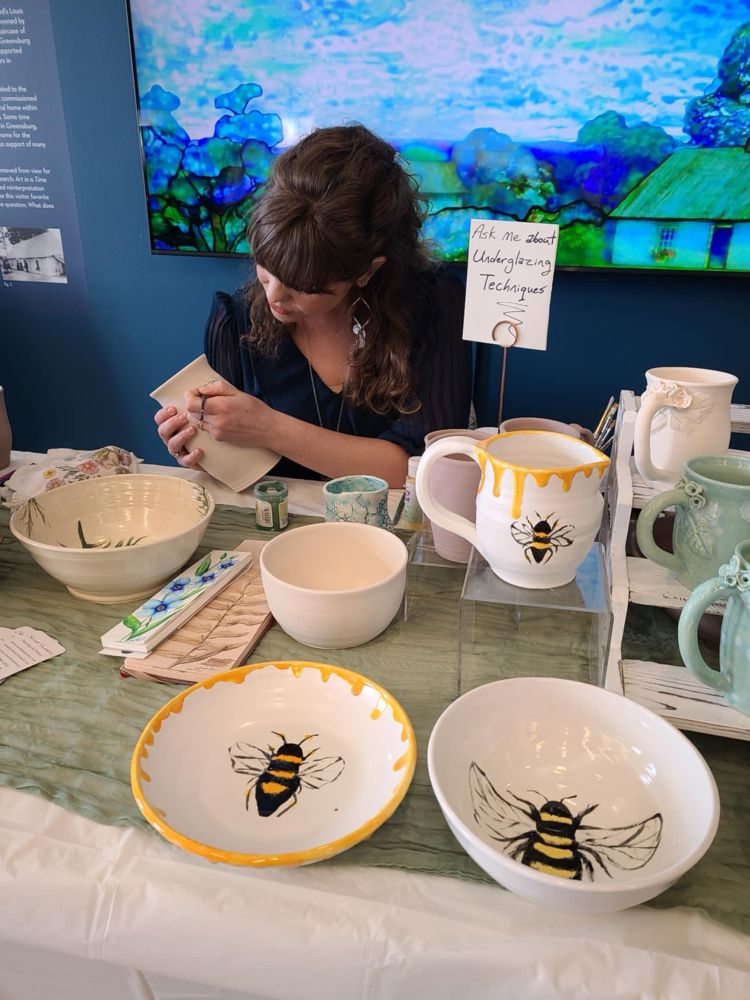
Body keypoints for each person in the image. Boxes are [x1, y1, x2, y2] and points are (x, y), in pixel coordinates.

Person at [155, 123, 472, 488]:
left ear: (366, 271)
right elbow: (235, 473)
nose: (274, 296)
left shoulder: (432, 306)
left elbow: (425, 466)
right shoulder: (235, 321)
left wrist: (269, 427)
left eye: (303, 286)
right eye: (266, 267)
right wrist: (198, 448)